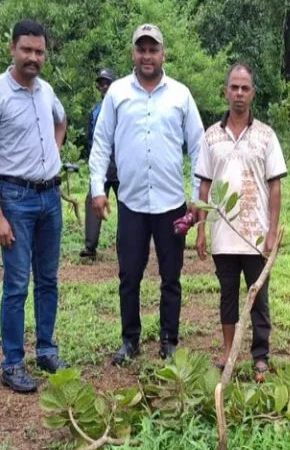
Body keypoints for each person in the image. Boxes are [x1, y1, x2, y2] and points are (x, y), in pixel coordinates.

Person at [89, 23, 206, 366]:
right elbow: (101, 143)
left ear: (162, 54)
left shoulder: (180, 95)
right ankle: (130, 340)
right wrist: (97, 189)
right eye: (141, 49)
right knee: (129, 275)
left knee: (171, 277)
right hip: (132, 203)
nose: (147, 56)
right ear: (133, 53)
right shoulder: (117, 93)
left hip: (172, 204)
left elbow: (199, 147)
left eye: (153, 49)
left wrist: (198, 196)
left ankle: (169, 340)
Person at [0, 19, 70, 393]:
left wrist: (54, 151)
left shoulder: (46, 91)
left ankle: (46, 350)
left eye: (39, 52)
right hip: (15, 199)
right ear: (12, 48)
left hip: (50, 198)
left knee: (48, 279)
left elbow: (61, 120)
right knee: (16, 284)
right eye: (26, 49)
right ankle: (12, 362)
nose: (33, 57)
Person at [195, 63, 287, 381]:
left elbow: (275, 186)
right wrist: (201, 230)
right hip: (223, 234)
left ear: (253, 94)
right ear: (226, 92)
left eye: (244, 88)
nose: (238, 93)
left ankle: (260, 356)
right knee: (228, 294)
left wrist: (272, 231)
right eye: (234, 87)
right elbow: (204, 186)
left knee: (258, 295)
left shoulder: (265, 136)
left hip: (256, 234)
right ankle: (228, 351)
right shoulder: (211, 136)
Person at [80, 68, 119, 260]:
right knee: (93, 201)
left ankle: (127, 245)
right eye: (101, 84)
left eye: (107, 83)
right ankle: (90, 247)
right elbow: (91, 140)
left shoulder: (122, 107)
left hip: (120, 166)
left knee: (127, 206)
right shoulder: (95, 111)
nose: (104, 87)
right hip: (102, 166)